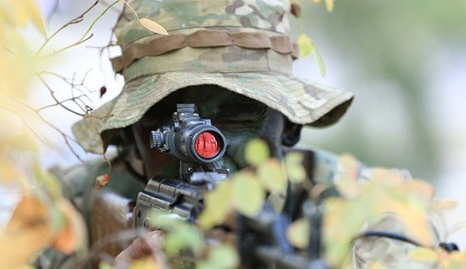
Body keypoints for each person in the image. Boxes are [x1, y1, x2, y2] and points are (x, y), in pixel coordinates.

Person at [36, 0, 446, 268]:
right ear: (129, 135)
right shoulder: (69, 204)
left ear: (289, 127)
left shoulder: (370, 212)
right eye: (167, 124)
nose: (207, 151)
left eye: (239, 117)